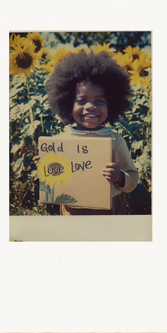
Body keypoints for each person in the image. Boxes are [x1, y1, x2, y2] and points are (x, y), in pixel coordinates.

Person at [35, 50, 139, 215]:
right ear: (68, 105)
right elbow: (54, 176)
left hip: (107, 211)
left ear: (111, 105)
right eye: (82, 101)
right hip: (71, 210)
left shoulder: (115, 141)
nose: (91, 107)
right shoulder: (60, 142)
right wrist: (45, 165)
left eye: (99, 101)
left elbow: (133, 178)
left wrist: (119, 177)